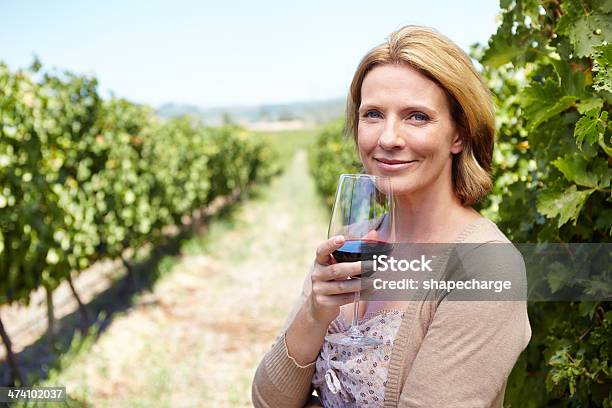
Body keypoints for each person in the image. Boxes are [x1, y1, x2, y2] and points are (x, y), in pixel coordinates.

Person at [252, 25, 531, 407]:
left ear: (459, 135)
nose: (388, 138)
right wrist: (315, 314)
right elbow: (267, 400)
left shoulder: (486, 267)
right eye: (373, 114)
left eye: (417, 116)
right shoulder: (353, 240)